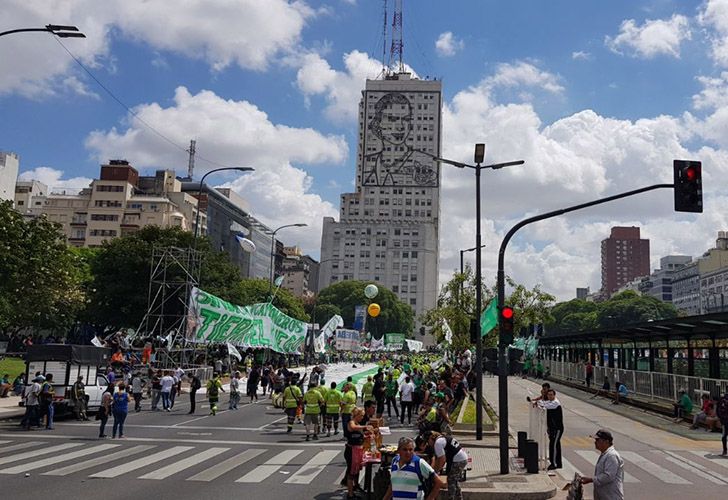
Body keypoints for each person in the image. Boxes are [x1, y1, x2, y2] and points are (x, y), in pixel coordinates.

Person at [384, 436, 444, 500]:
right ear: (398, 451)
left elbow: (438, 482)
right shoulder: (394, 461)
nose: (408, 452)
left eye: (410, 450)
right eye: (405, 450)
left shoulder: (419, 463)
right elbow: (392, 485)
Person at [580, 429, 624, 500]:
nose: (595, 442)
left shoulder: (612, 456)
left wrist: (591, 480)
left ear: (606, 442)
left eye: (597, 440)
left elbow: (608, 476)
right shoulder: (605, 454)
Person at [426, 431, 468, 500]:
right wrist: (434, 470)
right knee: (455, 480)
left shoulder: (438, 443)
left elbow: (442, 460)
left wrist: (436, 472)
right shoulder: (441, 439)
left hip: (458, 460)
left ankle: (451, 498)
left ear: (431, 438)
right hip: (462, 458)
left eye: (428, 441)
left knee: (451, 480)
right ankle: (459, 498)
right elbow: (438, 459)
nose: (428, 444)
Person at [345, 407, 374, 500]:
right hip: (351, 450)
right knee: (351, 472)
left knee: (356, 470)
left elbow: (360, 436)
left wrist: (367, 436)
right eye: (361, 415)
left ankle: (355, 486)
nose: (362, 417)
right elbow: (353, 428)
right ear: (356, 415)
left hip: (358, 449)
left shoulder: (358, 424)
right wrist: (365, 427)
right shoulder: (351, 422)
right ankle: (350, 494)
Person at [538, 388, 564, 470]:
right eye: (548, 395)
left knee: (553, 445)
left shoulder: (555, 403)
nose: (549, 396)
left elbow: (543, 405)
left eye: (551, 395)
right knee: (556, 445)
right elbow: (543, 402)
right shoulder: (550, 402)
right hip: (552, 428)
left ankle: (554, 464)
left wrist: (539, 403)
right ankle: (558, 463)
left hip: (557, 428)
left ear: (554, 395)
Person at [717, 390, 728, 456]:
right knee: (724, 435)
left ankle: (725, 450)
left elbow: (718, 410)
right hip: (725, 420)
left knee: (724, 436)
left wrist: (720, 419)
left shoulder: (721, 399)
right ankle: (724, 450)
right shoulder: (722, 399)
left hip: (724, 421)